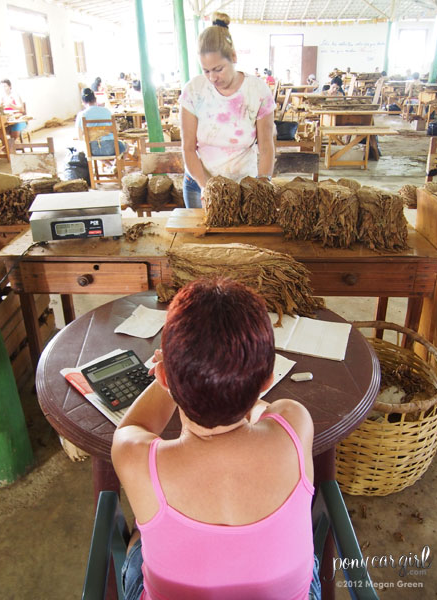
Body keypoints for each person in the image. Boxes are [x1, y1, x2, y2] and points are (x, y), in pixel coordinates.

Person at [112, 277, 319, 600]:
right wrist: (233, 385)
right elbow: (265, 410)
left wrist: (172, 376)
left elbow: (131, 428)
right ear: (267, 378)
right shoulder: (294, 425)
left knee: (139, 540)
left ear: (164, 377)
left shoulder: (135, 459)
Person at [179, 12, 276, 208]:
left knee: (242, 239)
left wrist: (263, 184)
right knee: (202, 238)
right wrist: (207, 187)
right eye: (206, 71)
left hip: (243, 185)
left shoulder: (257, 91)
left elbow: (266, 147)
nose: (212, 78)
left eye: (218, 69)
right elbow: (188, 148)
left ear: (233, 57)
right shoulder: (193, 91)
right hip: (200, 184)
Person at [75, 87, 126, 156]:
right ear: (95, 99)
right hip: (111, 148)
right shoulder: (107, 111)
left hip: (93, 150)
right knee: (125, 145)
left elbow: (80, 137)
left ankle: (110, 166)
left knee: (86, 148)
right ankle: (114, 165)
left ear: (83, 102)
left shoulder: (81, 115)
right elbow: (116, 130)